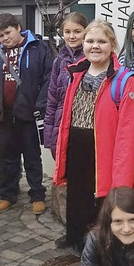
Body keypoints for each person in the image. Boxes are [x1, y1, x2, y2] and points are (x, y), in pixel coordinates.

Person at [53, 20, 134, 250]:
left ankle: (98, 245)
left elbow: (128, 133)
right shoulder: (77, 73)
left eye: (101, 41)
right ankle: (75, 235)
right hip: (77, 146)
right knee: (76, 194)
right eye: (90, 41)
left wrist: (122, 173)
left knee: (101, 199)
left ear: (112, 45)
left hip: (103, 149)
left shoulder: (124, 81)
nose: (95, 46)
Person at [0, 13, 52, 215]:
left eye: (7, 32)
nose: (5, 38)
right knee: (7, 158)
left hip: (28, 114)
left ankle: (37, 195)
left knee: (32, 157)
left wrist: (39, 104)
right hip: (4, 116)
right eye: (0, 35)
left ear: (18, 27)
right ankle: (8, 195)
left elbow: (48, 78)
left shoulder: (38, 48)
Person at [44, 12, 88, 158]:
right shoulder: (59, 61)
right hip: (61, 121)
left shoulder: (91, 58)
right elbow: (52, 100)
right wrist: (49, 135)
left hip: (83, 122)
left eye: (77, 31)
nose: (72, 36)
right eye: (67, 32)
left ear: (85, 32)